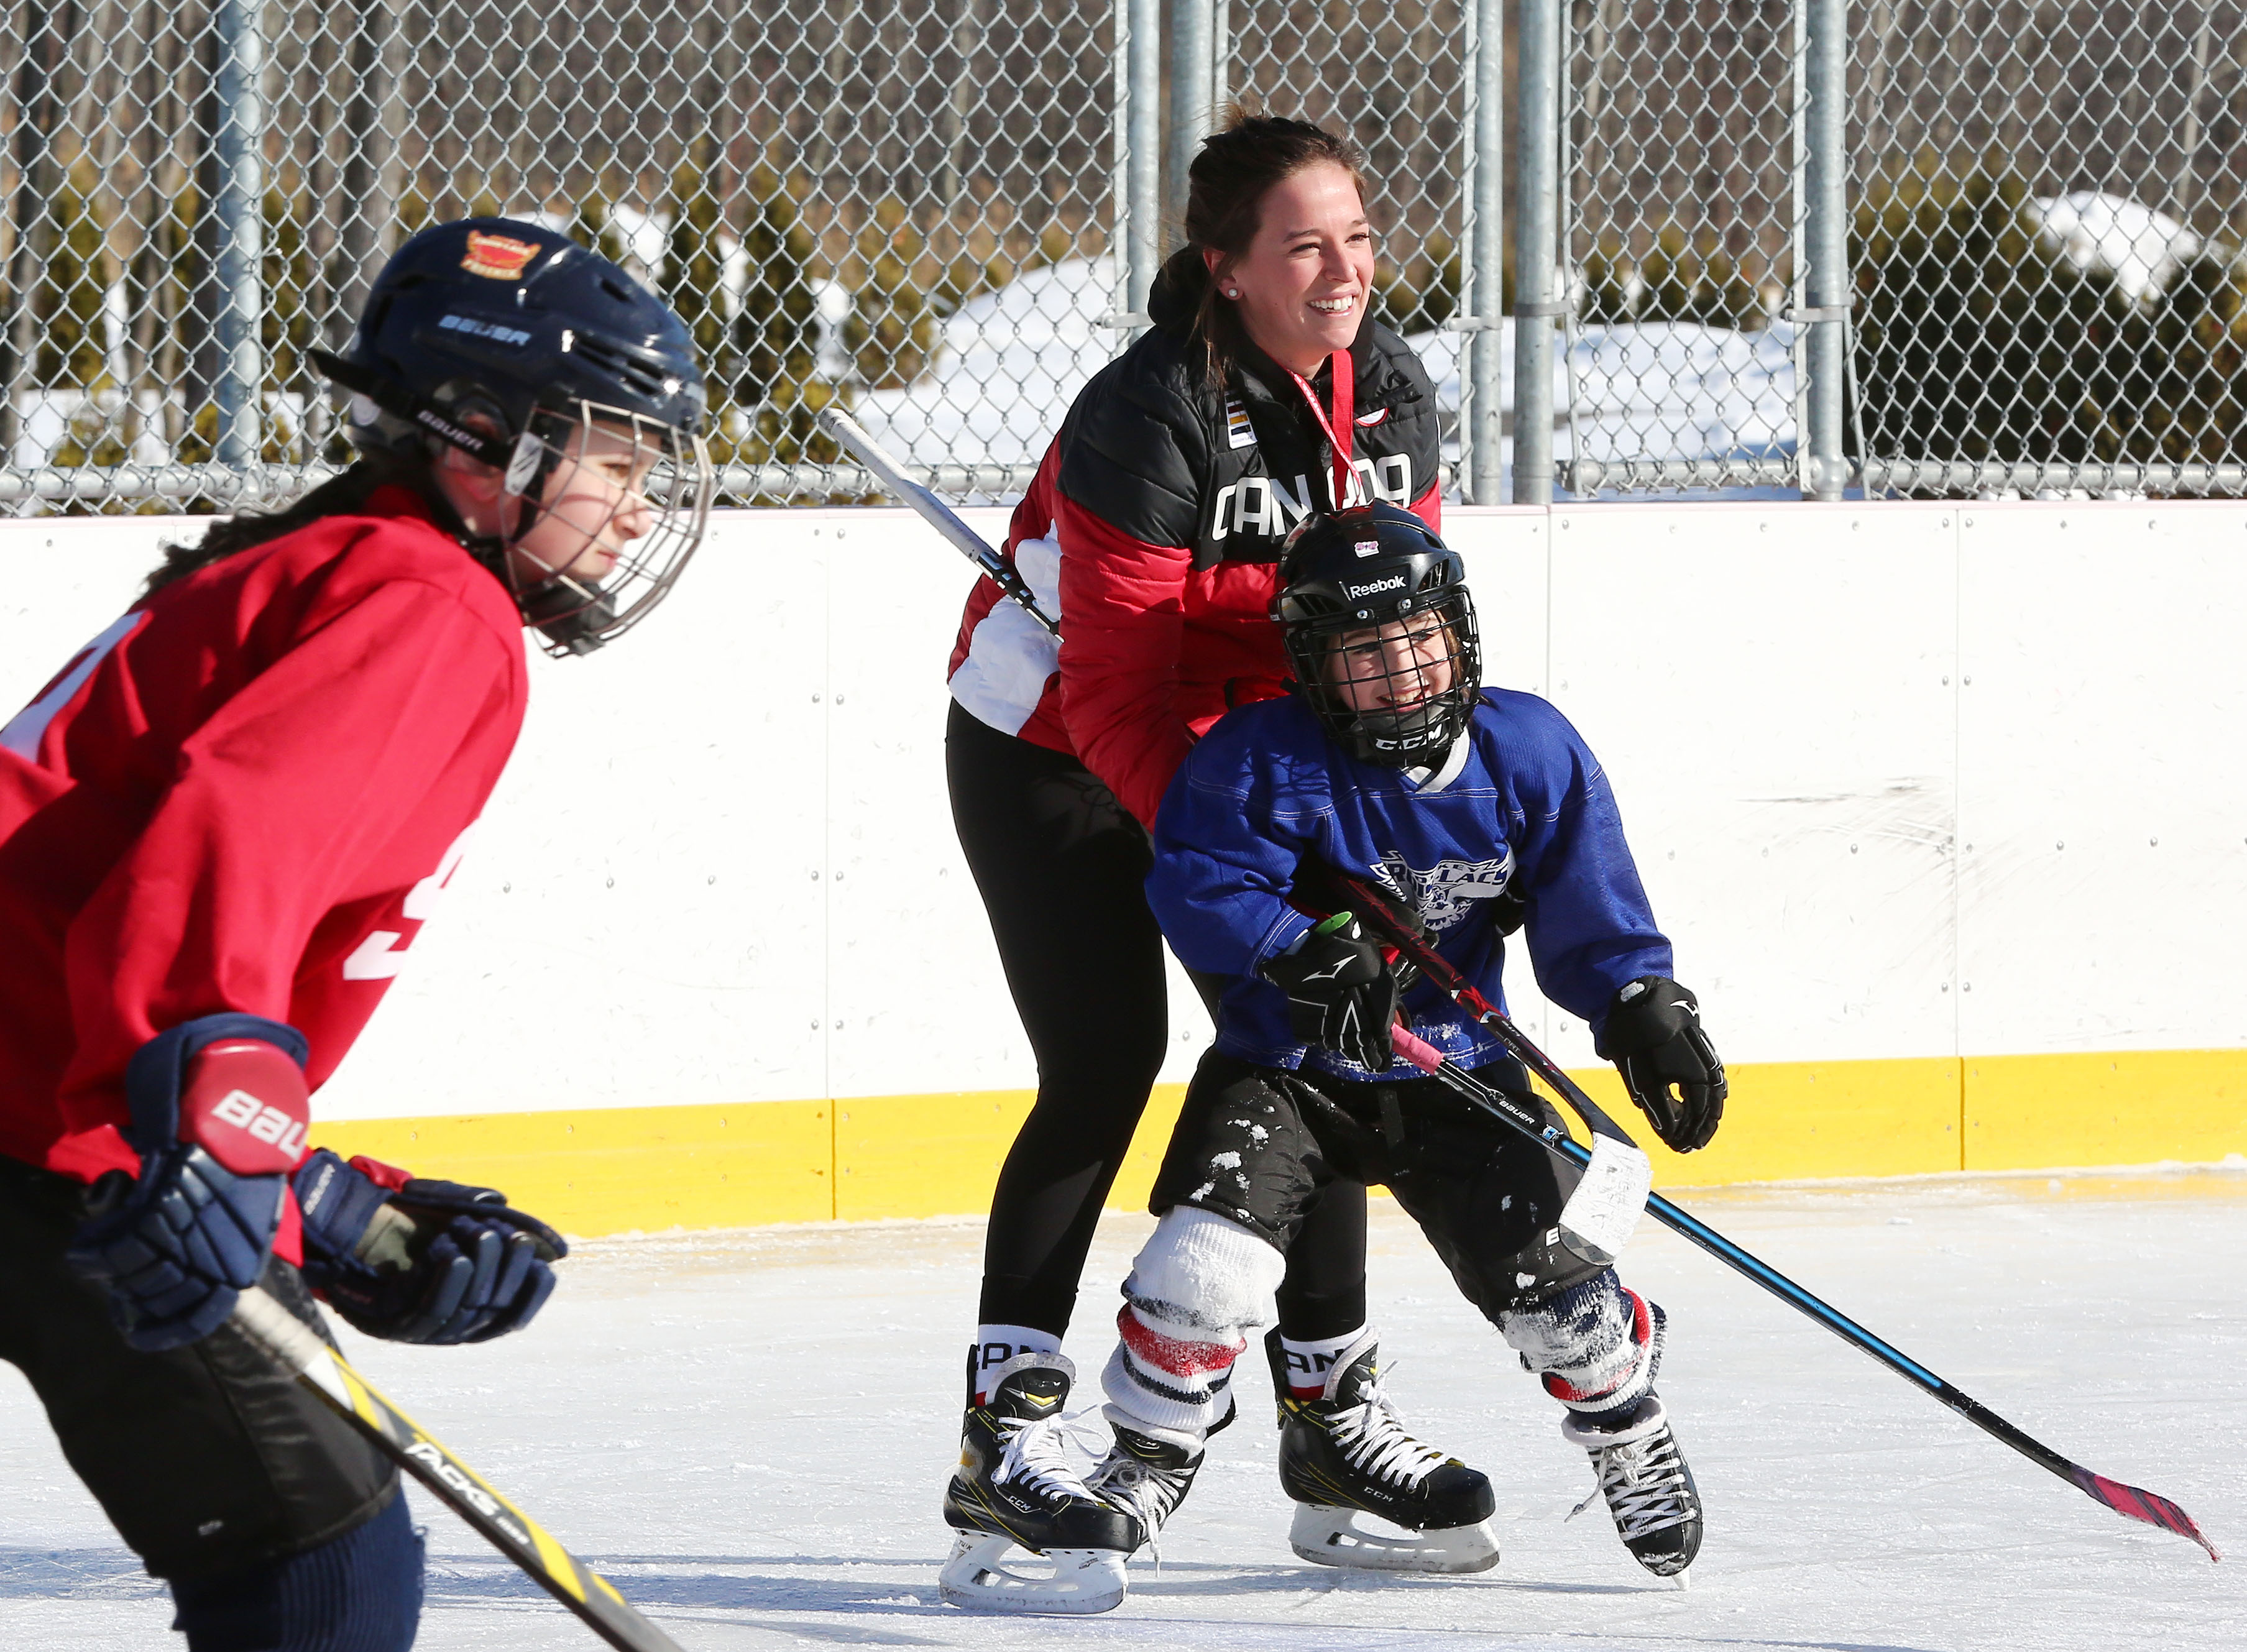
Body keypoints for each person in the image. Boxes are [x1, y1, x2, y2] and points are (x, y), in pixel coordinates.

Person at [0, 217, 710, 1651]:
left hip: (49, 1099)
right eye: (617, 461)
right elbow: (217, 864)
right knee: (312, 1556)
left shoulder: (353, 563)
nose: (635, 512)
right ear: (479, 434)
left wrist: (331, 1201)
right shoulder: (428, 604)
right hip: (51, 1134)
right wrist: (222, 1149)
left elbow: (151, 912)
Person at [940, 111, 1483, 1613]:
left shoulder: (1393, 392)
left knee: (1316, 1045)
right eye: (1304, 245)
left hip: (1248, 752)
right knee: (1103, 1065)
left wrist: (1369, 828)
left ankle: (1328, 1426)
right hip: (1053, 750)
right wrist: (1246, 857)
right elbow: (1114, 694)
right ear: (1223, 267)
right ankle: (1007, 1439)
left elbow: (1390, 632)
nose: (1344, 270)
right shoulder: (1148, 413)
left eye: (1359, 236)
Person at [1083, 502, 1728, 1594]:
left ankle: (1626, 1418)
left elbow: (1588, 898)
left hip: (1455, 1065)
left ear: (1459, 631)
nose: (1406, 676)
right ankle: (1144, 1456)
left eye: (1421, 642)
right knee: (1203, 1267)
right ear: (1313, 668)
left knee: (1566, 1316)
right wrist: (1292, 947)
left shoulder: (1527, 748)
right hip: (1288, 1066)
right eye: (1367, 656)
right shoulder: (1257, 761)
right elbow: (1193, 880)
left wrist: (1635, 999)